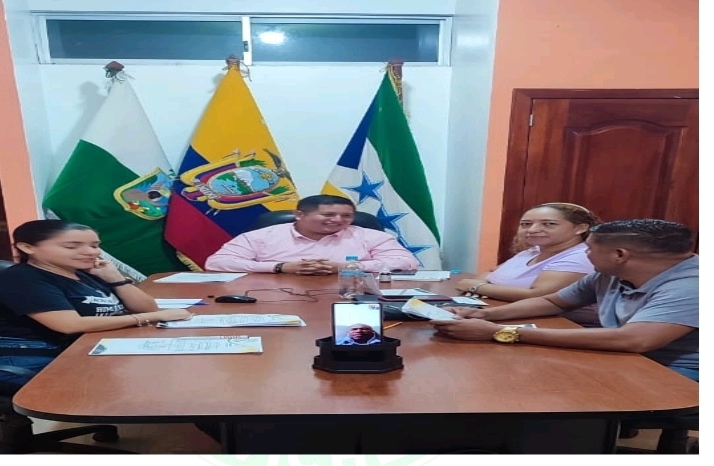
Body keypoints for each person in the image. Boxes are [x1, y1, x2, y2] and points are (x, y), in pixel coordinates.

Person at [431, 219, 698, 381]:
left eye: (589, 249)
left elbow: (634, 340)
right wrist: (484, 315)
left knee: (547, 385)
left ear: (619, 254)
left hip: (679, 371)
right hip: (628, 357)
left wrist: (500, 332)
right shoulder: (609, 273)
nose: (585, 254)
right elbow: (555, 302)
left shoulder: (693, 285)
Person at [0, 220, 193, 386]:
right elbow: (70, 325)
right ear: (28, 248)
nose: (90, 252)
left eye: (94, 246)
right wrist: (152, 317)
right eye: (71, 247)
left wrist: (116, 279)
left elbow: (148, 307)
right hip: (32, 356)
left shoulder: (83, 272)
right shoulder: (23, 278)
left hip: (83, 347)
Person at [454, 202, 603, 326]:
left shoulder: (581, 256)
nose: (532, 230)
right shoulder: (533, 251)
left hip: (565, 325)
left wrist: (477, 287)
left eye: (549, 224)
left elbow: (539, 296)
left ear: (580, 228)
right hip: (513, 314)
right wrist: (481, 285)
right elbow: (490, 273)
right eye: (526, 224)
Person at [205, 194, 419, 274]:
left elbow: (407, 262)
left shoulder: (368, 236)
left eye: (347, 216)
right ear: (299, 215)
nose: (338, 220)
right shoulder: (263, 236)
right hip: (273, 297)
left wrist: (346, 267)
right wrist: (280, 267)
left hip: (350, 297)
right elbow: (216, 263)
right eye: (328, 214)